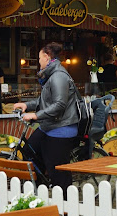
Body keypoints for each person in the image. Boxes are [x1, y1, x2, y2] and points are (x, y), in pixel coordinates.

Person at [13, 42, 79, 193]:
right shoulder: (51, 75)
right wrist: (26, 105)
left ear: (47, 57)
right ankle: (41, 185)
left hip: (61, 128)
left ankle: (63, 200)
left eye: (39, 58)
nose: (39, 62)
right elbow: (45, 101)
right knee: (29, 150)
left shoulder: (58, 76)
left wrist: (36, 115)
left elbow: (59, 105)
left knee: (58, 172)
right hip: (49, 125)